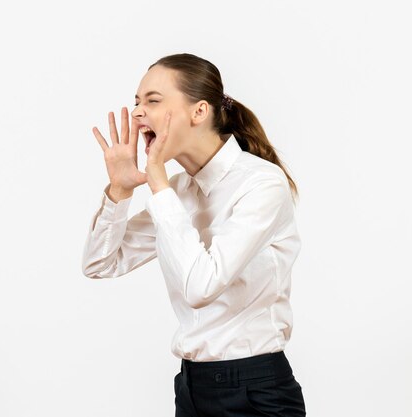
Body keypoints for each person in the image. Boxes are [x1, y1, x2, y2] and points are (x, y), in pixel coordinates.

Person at [82, 53, 306, 417]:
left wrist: (157, 184)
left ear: (199, 112)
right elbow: (99, 263)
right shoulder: (176, 191)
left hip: (254, 390)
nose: (137, 112)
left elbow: (202, 287)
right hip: (191, 388)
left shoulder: (261, 183)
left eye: (152, 101)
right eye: (137, 102)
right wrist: (120, 191)